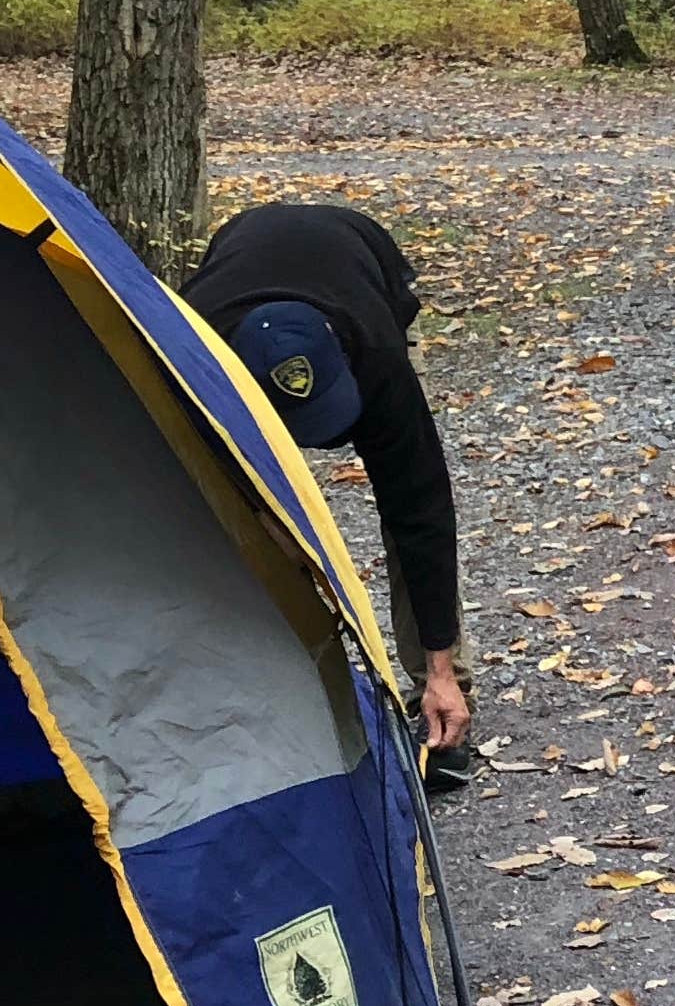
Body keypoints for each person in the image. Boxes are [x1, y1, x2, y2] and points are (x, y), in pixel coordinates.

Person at [188, 200, 472, 778]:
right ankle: (275, 685)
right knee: (245, 522)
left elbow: (422, 512)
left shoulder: (376, 355)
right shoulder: (193, 363)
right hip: (240, 260)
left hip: (360, 254)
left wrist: (441, 669)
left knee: (408, 514)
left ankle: (443, 698)